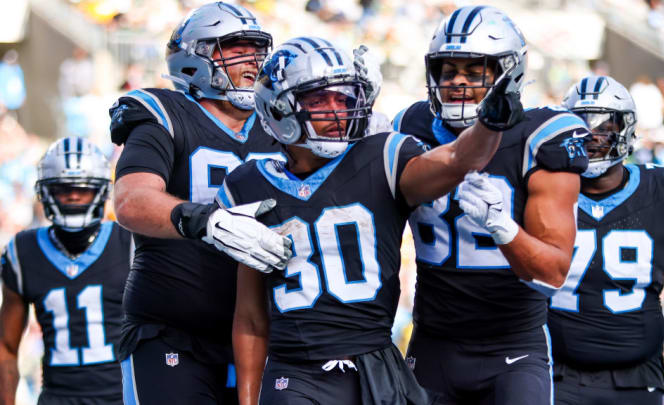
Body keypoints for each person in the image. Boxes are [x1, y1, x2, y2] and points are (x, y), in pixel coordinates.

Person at [222, 35, 522, 405]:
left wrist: (490, 124)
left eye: (344, 98)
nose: (336, 111)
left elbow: (458, 160)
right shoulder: (249, 184)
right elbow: (250, 318)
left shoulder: (382, 157)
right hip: (297, 372)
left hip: (377, 367)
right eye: (319, 100)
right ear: (280, 109)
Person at [392, 6, 590, 405]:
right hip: (433, 342)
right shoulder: (407, 127)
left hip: (513, 349)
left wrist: (504, 228)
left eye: (475, 71)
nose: (458, 82)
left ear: (508, 74)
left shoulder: (541, 136)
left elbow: (553, 272)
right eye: (448, 71)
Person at [108, 3, 288, 404]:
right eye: (235, 48)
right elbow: (131, 200)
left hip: (264, 333)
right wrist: (205, 220)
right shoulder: (165, 115)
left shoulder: (280, 124)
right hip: (173, 332)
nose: (252, 60)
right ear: (194, 59)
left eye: (256, 49)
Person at [544, 75, 664, 405]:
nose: (591, 136)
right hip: (556, 373)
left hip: (638, 376)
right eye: (580, 125)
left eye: (603, 125)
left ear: (626, 128)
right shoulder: (542, 191)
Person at [0, 137, 131, 405]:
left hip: (125, 396)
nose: (73, 196)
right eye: (63, 189)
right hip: (58, 398)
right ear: (46, 192)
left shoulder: (130, 242)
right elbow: (7, 346)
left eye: (82, 189)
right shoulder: (23, 251)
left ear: (101, 192)